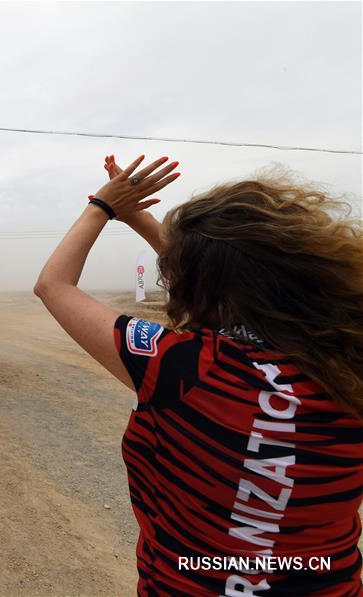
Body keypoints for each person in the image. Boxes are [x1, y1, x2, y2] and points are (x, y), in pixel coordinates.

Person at [34, 154, 363, 596]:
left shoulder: (183, 368)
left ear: (200, 284)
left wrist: (103, 206)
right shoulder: (348, 365)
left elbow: (53, 285)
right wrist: (132, 214)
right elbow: (224, 278)